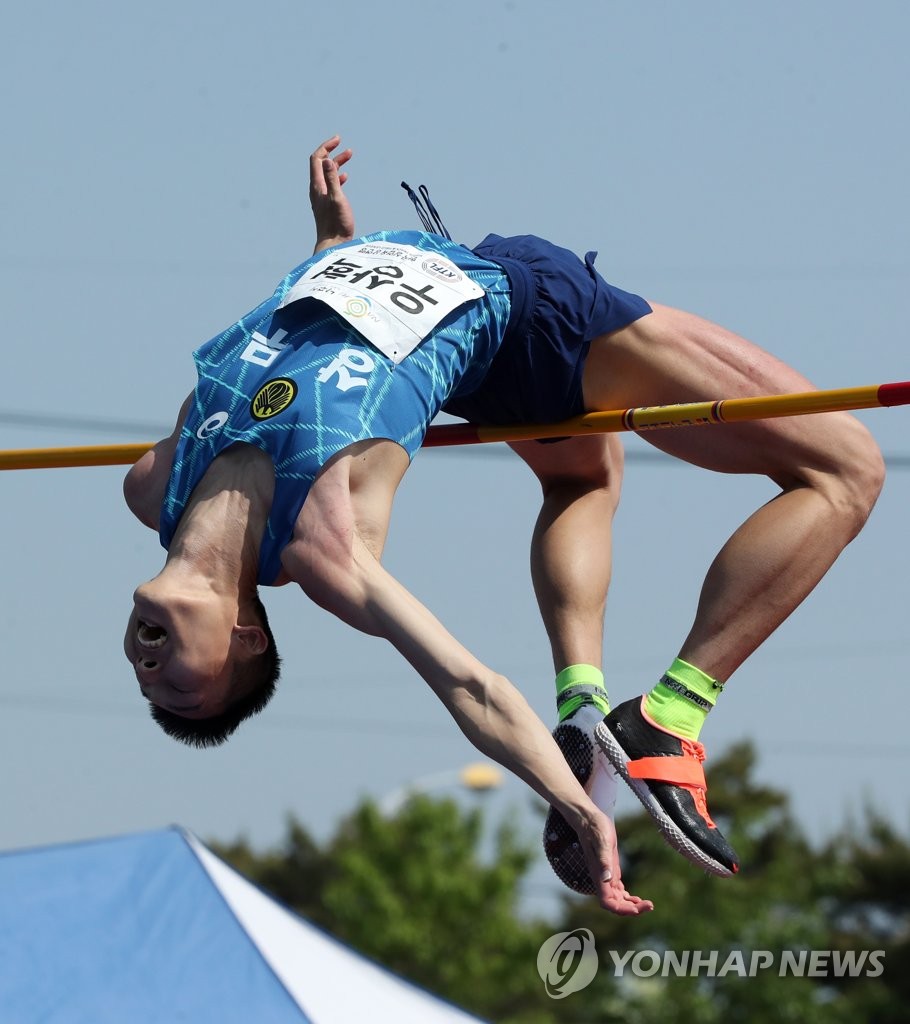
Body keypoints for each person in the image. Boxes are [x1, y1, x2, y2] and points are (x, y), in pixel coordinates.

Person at [123, 136, 883, 913]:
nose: (151, 677)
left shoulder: (157, 485)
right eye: (182, 690)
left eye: (148, 685)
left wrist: (329, 249)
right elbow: (471, 688)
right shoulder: (327, 548)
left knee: (581, 479)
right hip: (531, 313)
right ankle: (671, 717)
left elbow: (286, 345)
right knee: (848, 468)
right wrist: (577, 805)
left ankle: (583, 699)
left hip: (475, 351)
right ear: (247, 636)